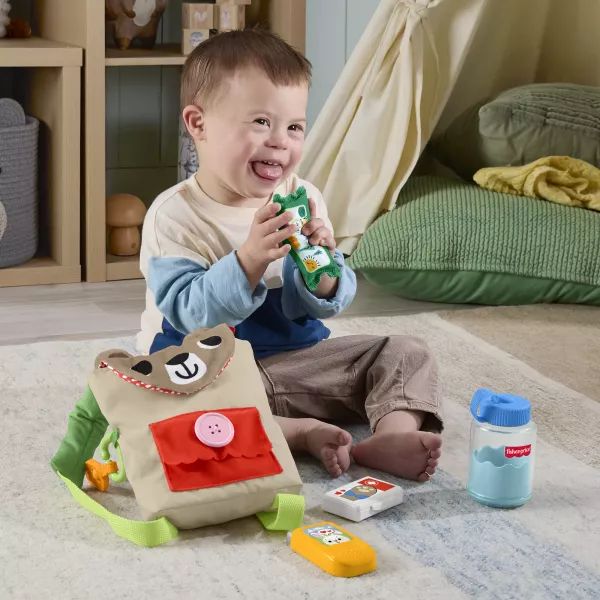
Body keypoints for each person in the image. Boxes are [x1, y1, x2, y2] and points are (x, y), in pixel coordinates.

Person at [137, 29, 442, 481]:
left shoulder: (303, 197)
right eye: (261, 122)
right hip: (213, 370)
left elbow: (325, 303)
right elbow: (189, 314)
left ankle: (393, 434)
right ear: (199, 124)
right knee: (165, 405)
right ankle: (298, 433)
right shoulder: (175, 215)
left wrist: (322, 267)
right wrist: (249, 260)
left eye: (294, 127)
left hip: (298, 363)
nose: (281, 141)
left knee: (407, 352)